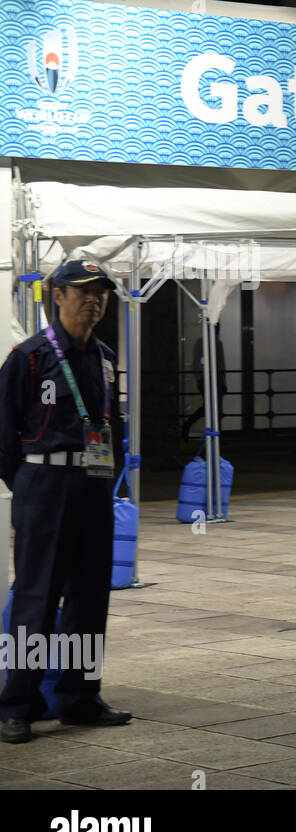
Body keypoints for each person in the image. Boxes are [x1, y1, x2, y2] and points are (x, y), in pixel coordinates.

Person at [0, 261, 131, 744]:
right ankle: (18, 704)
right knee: (36, 599)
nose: (93, 300)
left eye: (101, 293)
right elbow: (4, 435)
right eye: (83, 292)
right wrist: (33, 482)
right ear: (57, 296)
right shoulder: (30, 356)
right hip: (45, 486)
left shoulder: (102, 356)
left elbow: (110, 423)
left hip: (93, 484)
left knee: (89, 598)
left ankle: (80, 698)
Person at [180, 326, 226, 442]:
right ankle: (214, 434)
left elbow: (197, 361)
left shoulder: (202, 342)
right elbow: (221, 364)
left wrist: (198, 377)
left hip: (207, 378)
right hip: (214, 378)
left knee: (209, 407)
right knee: (213, 407)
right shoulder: (216, 342)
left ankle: (189, 426)